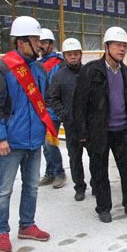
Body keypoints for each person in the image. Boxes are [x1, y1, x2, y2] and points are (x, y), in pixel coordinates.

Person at [0, 16, 53, 252]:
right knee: (4, 189)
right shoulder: (1, 68)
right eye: (35, 40)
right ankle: (1, 232)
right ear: (21, 42)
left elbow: (45, 101)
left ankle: (27, 225)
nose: (40, 44)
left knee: (31, 186)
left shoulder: (39, 68)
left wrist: (47, 127)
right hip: (10, 142)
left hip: (34, 140)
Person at [73, 27, 127, 223]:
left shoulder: (126, 72)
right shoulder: (91, 71)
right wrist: (82, 132)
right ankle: (103, 207)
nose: (122, 49)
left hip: (123, 130)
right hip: (99, 131)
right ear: (106, 47)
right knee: (99, 171)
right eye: (117, 45)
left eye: (124, 46)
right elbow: (79, 103)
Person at [45, 38, 87, 201]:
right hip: (71, 125)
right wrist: (65, 114)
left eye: (76, 53)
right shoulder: (59, 76)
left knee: (96, 157)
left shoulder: (88, 72)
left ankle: (97, 185)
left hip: (90, 124)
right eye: (69, 54)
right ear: (64, 56)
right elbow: (52, 98)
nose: (73, 57)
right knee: (75, 158)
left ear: (81, 54)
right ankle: (79, 187)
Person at [38, 28, 67, 189]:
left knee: (50, 143)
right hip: (41, 109)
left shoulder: (59, 63)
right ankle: (50, 172)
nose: (41, 46)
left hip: (54, 110)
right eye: (39, 42)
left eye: (44, 42)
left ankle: (59, 173)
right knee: (44, 143)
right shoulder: (38, 64)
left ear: (51, 44)